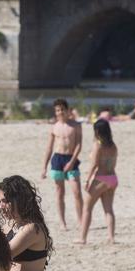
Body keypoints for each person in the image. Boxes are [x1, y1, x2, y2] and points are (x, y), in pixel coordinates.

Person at [41, 99, 83, 230]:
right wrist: (44, 167)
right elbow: (49, 148)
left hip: (71, 158)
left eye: (62, 109)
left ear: (67, 110)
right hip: (57, 159)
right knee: (60, 192)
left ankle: (81, 220)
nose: (60, 112)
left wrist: (71, 162)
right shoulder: (54, 127)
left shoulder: (76, 125)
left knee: (76, 191)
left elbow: (78, 145)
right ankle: (62, 222)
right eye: (57, 110)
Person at [78, 119, 119, 245]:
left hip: (100, 178)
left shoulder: (98, 145)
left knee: (87, 208)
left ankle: (82, 238)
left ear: (97, 131)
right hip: (112, 178)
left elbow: (94, 164)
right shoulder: (113, 146)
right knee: (108, 210)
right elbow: (114, 163)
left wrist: (87, 180)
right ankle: (111, 237)